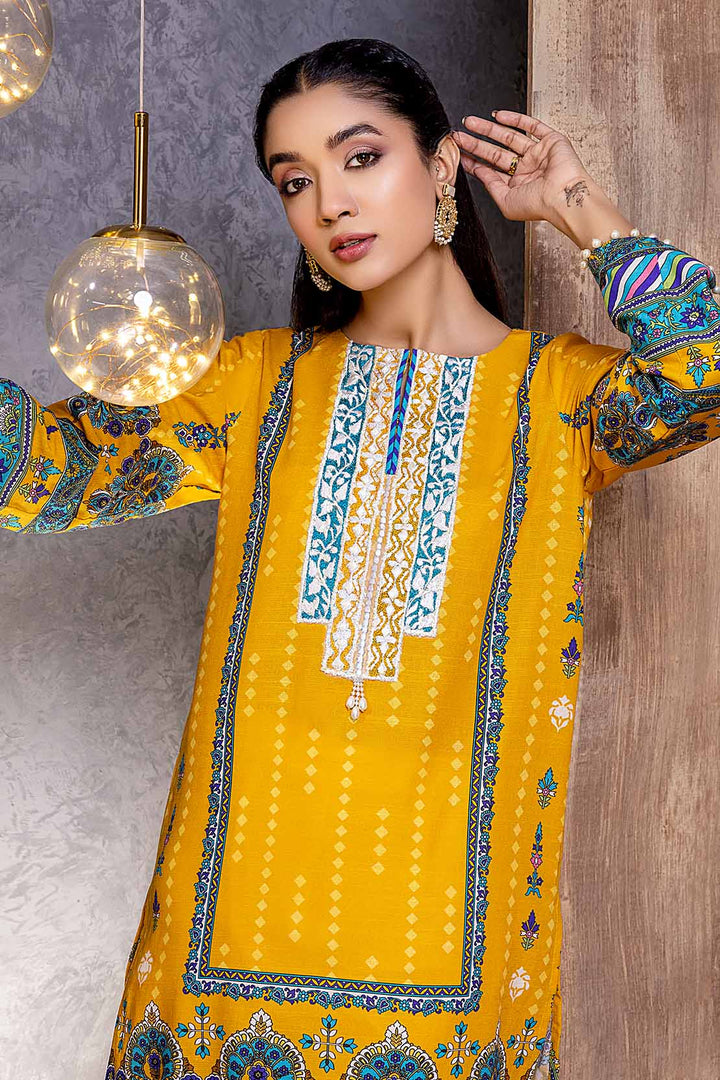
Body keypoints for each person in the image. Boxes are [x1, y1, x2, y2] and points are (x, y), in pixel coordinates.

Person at [2, 36, 719, 1080]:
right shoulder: (252, 387)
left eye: (360, 158)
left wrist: (578, 208)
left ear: (441, 165)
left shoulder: (557, 399)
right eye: (295, 181)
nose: (330, 202)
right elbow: (39, 472)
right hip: (220, 955)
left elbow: (704, 374)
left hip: (453, 972)